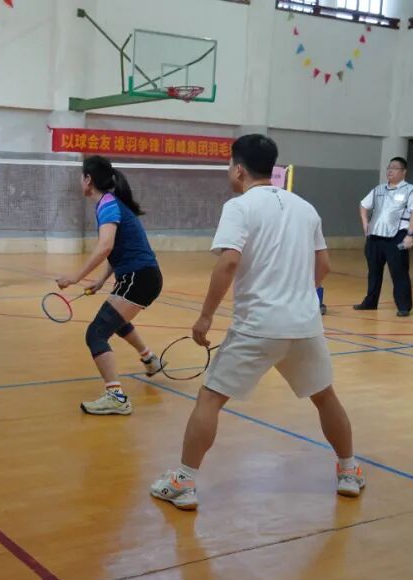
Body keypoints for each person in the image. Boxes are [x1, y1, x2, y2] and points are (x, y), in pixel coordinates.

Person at [150, 134, 363, 511]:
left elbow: (229, 262)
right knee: (325, 396)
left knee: (210, 398)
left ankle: (184, 481)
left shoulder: (239, 207)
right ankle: (349, 471)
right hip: (305, 325)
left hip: (258, 325)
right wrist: (298, 294)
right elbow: (324, 266)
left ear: (238, 169)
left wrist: (205, 316)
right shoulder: (305, 207)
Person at [55, 155, 165, 416]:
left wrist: (75, 276)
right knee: (116, 322)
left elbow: (105, 246)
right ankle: (149, 359)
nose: (80, 181)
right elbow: (118, 248)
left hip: (139, 277)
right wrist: (101, 280)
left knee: (95, 333)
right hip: (141, 276)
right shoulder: (110, 202)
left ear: (88, 179)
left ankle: (116, 397)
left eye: (81, 177)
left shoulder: (107, 204)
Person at [354, 157, 413, 317]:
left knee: (399, 272)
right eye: (389, 167)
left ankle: (404, 306)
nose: (390, 170)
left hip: (397, 237)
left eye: (395, 168)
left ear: (403, 172)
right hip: (375, 237)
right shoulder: (378, 189)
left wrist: (410, 234)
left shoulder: (411, 190)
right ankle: (370, 302)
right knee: (374, 271)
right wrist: (365, 224)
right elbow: (363, 205)